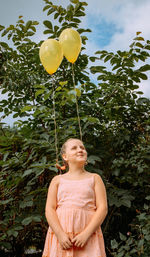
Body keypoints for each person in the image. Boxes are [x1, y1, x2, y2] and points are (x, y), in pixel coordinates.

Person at [42, 138, 108, 257]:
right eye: (74, 148)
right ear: (65, 157)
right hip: (62, 235)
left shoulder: (94, 178)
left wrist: (86, 234)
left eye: (82, 147)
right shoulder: (57, 180)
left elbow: (102, 208)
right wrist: (60, 234)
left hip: (88, 235)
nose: (80, 150)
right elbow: (50, 209)